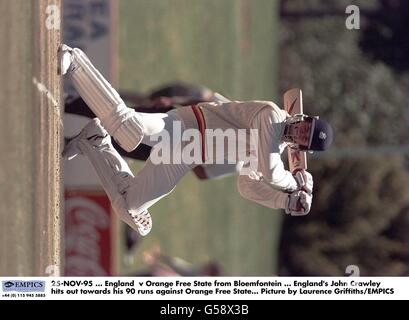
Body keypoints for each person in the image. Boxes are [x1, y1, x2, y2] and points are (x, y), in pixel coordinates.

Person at [59, 44, 333, 237]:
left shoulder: (271, 148)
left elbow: (247, 185)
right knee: (129, 128)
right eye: (304, 126)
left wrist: (283, 203)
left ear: (302, 147)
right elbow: (272, 172)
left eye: (303, 137)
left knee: (131, 210)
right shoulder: (272, 116)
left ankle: (95, 141)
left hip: (184, 158)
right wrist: (294, 181)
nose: (298, 132)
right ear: (303, 117)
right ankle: (74, 61)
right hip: (184, 126)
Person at [64, 83, 240, 181]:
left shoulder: (239, 161)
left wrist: (190, 156)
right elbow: (207, 102)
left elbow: (204, 174)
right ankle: (70, 103)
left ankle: (70, 142)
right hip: (168, 120)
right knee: (117, 117)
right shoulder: (243, 118)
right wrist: (173, 100)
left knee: (114, 143)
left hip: (166, 147)